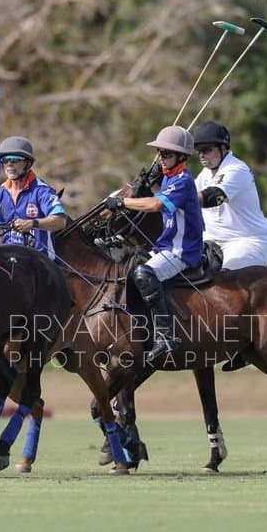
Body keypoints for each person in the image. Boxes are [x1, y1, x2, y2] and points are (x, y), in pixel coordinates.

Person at [105, 125, 203, 366]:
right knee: (127, 267)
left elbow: (155, 206)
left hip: (183, 251)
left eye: (167, 154)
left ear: (182, 157)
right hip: (164, 247)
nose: (162, 158)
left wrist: (122, 201)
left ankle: (166, 336)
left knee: (144, 273)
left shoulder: (183, 181)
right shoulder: (170, 178)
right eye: (160, 153)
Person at [191, 120, 267, 269]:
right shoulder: (205, 174)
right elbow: (186, 192)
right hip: (214, 241)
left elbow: (213, 197)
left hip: (250, 241)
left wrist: (171, 200)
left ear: (223, 148)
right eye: (199, 150)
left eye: (207, 149)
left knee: (225, 281)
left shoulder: (236, 169)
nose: (202, 155)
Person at [0, 136, 68, 259]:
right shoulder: (0, 192)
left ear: (28, 163)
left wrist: (33, 223)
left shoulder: (42, 191)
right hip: (10, 261)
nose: (9, 163)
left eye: (15, 159)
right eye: (5, 159)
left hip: (40, 262)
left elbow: (60, 221)